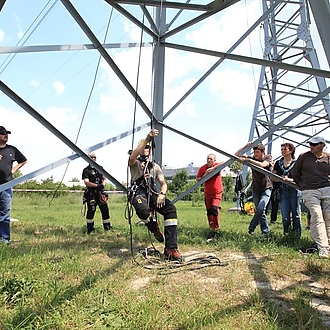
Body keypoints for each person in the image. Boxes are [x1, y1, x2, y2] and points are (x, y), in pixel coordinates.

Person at [128, 129, 182, 261]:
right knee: (142, 210)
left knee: (170, 210)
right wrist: (147, 138)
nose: (146, 149)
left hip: (151, 193)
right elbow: (132, 157)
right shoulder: (134, 163)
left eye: (148, 147)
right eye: (143, 147)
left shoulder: (155, 167)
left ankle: (170, 248)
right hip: (139, 193)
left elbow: (163, 183)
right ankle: (153, 227)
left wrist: (162, 194)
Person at [291, 136, 330, 258]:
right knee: (317, 215)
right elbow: (294, 173)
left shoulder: (328, 157)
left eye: (315, 144)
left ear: (322, 145)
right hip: (310, 190)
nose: (311, 147)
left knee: (328, 218)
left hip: (326, 189)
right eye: (310, 144)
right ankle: (323, 248)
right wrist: (302, 186)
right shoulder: (304, 156)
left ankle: (326, 243)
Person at [235, 142, 272, 235]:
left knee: (260, 209)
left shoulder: (268, 158)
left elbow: (263, 165)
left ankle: (251, 227)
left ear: (263, 152)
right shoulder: (252, 158)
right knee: (260, 211)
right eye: (254, 152)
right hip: (256, 188)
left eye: (257, 152)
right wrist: (245, 146)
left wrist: (249, 160)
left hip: (266, 188)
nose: (255, 154)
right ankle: (265, 231)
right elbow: (236, 155)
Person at [0, 126, 27, 244]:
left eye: (7, 133)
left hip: (6, 185)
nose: (6, 135)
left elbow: (23, 160)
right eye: (2, 133)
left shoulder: (12, 149)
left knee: (5, 212)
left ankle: (4, 239)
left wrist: (14, 169)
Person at [273, 142, 302, 236]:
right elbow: (272, 176)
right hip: (283, 190)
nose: (282, 151)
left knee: (296, 214)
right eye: (281, 149)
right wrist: (278, 178)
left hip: (294, 189)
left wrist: (290, 180)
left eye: (285, 149)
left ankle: (297, 235)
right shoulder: (278, 162)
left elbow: (301, 177)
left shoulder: (297, 163)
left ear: (291, 151)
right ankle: (287, 234)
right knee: (285, 215)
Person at [82, 153, 112, 234]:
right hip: (91, 193)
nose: (93, 158)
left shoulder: (100, 168)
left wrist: (102, 185)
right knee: (91, 211)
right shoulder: (86, 170)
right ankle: (90, 229)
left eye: (94, 157)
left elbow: (105, 178)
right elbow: (86, 182)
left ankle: (107, 229)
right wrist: (96, 186)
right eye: (91, 157)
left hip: (100, 193)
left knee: (105, 210)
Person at [196, 154, 223, 240]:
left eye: (211, 159)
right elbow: (198, 179)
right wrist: (205, 174)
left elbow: (224, 162)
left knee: (215, 208)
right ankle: (211, 227)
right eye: (208, 158)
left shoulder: (217, 165)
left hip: (217, 192)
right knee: (209, 211)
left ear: (214, 160)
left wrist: (212, 169)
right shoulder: (203, 168)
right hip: (208, 193)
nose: (209, 160)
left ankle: (216, 227)